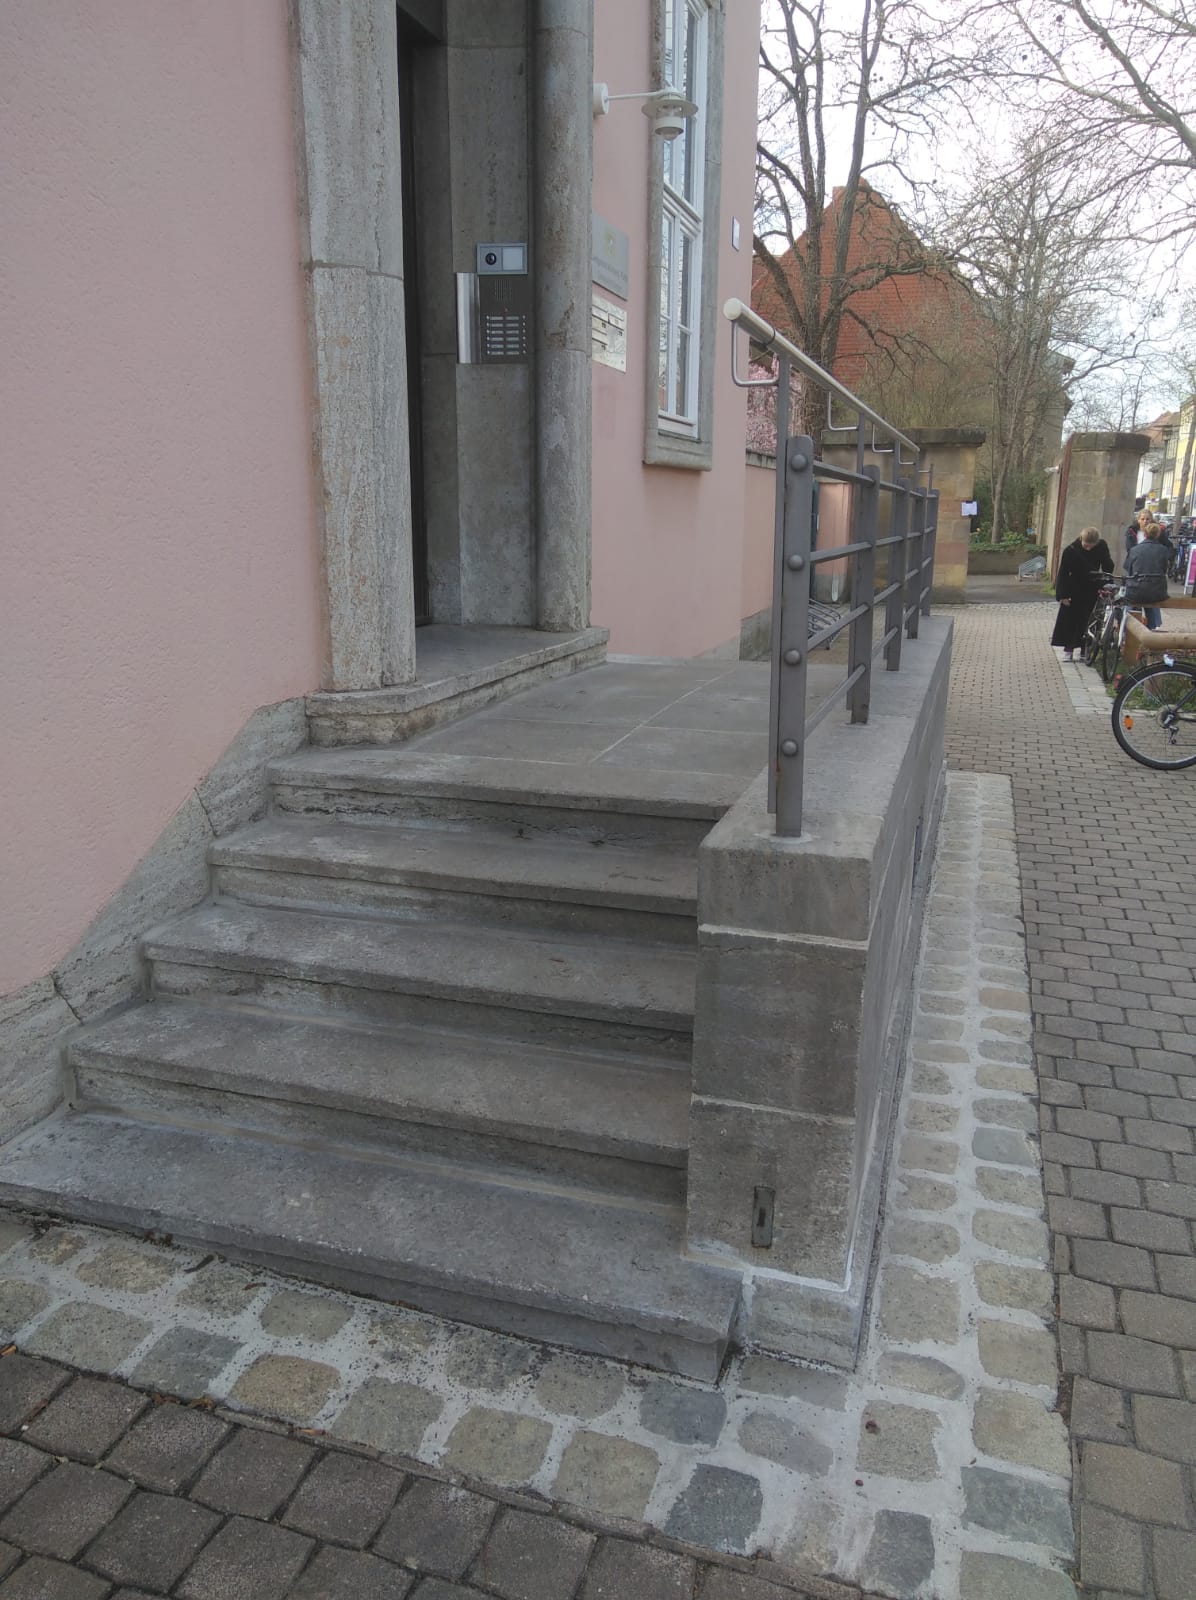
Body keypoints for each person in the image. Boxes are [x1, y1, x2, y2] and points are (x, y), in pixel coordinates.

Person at [1051, 526, 1114, 660]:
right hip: (1073, 589)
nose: (1088, 548)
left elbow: (1108, 566)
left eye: (1091, 546)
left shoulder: (1101, 547)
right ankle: (1068, 649)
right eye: (1086, 545)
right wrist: (1062, 595)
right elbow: (1063, 573)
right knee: (1070, 620)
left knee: (1089, 620)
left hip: (1092, 587)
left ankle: (1085, 649)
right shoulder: (1071, 550)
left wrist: (1106, 581)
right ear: (1081, 539)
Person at [1123, 521, 1170, 630]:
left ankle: (1129, 631)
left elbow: (1127, 568)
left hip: (1136, 589)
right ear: (1158, 535)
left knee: (1131, 605)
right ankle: (1152, 629)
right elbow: (1164, 569)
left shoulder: (1134, 550)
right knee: (1152, 604)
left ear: (1144, 534)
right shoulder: (1163, 550)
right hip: (1157, 591)